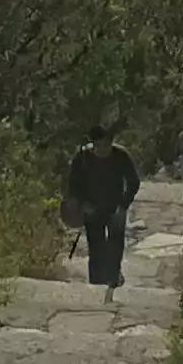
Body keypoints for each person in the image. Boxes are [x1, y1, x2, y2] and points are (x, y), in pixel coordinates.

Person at [62, 121, 141, 295]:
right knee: (96, 245)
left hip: (115, 207)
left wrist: (124, 203)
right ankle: (96, 282)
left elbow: (133, 181)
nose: (103, 149)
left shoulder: (121, 156)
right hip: (93, 208)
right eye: (99, 145)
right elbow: (73, 185)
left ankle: (113, 277)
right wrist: (82, 204)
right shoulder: (83, 158)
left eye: (106, 144)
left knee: (115, 244)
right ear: (93, 144)